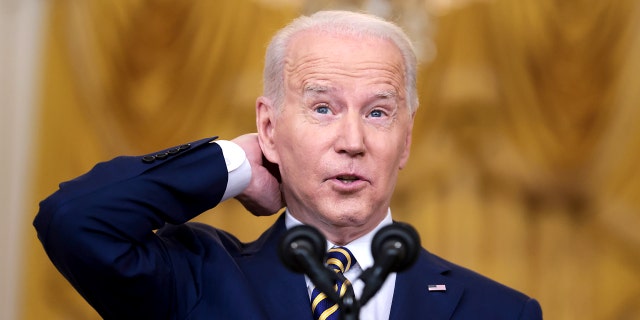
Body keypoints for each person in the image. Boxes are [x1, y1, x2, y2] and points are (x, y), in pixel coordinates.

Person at [34, 10, 542, 320]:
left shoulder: (500, 312)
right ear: (271, 128)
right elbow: (74, 220)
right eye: (323, 108)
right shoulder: (196, 280)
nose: (352, 141)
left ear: (405, 140)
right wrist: (235, 162)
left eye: (378, 112)